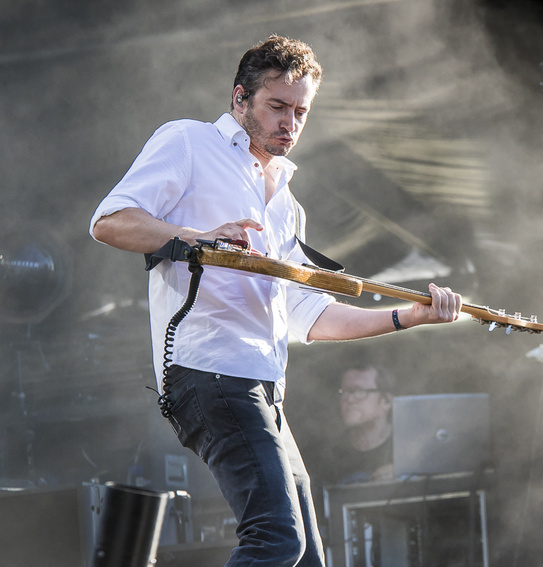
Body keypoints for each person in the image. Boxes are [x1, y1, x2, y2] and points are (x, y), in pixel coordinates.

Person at [89, 35, 462, 567]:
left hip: (264, 389)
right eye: (278, 107)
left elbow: (308, 318)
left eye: (301, 112)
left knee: (308, 557)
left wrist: (409, 316)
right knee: (277, 540)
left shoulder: (287, 205)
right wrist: (199, 238)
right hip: (210, 373)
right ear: (239, 99)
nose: (290, 123)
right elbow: (109, 222)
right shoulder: (190, 143)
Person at [331, 365, 397, 484]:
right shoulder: (329, 453)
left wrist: (401, 476)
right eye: (345, 392)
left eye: (359, 391)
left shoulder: (407, 447)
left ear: (386, 401)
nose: (349, 399)